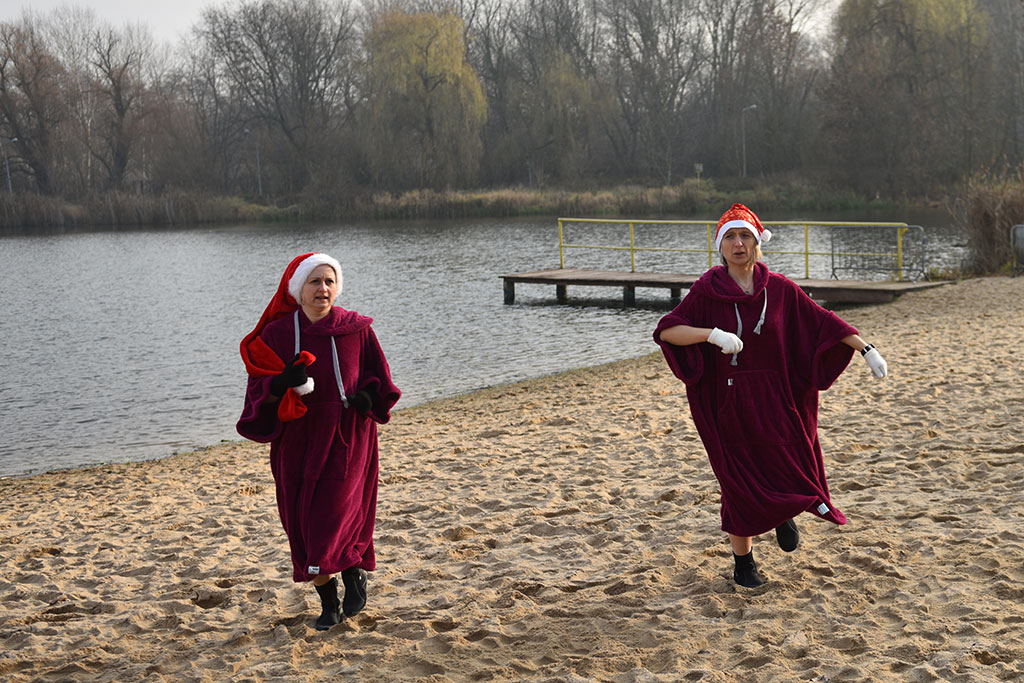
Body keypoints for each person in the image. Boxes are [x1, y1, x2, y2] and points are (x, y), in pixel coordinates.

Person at [653, 204, 888, 588]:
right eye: (729, 236)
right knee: (736, 482)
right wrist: (710, 334)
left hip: (776, 402)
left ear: (758, 242)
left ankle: (782, 514)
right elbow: (668, 331)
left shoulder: (780, 289)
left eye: (744, 235)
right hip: (727, 405)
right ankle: (744, 564)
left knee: (787, 466)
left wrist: (865, 349)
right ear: (720, 245)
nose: (738, 243)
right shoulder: (706, 291)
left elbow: (824, 322)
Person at [237, 252, 400, 629]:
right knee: (303, 526)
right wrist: (278, 384)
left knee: (335, 516)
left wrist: (367, 399)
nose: (323, 289)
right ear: (299, 289)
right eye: (315, 281)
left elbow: (380, 378)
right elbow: (259, 388)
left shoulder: (357, 330)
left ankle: (345, 582)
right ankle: (331, 594)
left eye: (329, 281)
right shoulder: (276, 335)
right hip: (297, 441)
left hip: (347, 436)